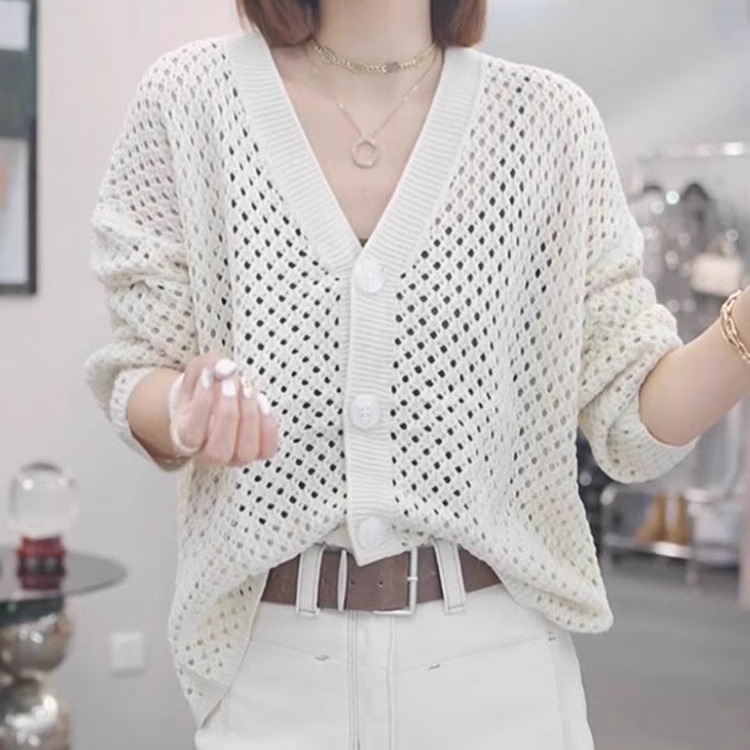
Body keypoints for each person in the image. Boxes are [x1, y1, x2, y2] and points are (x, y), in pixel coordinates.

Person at [84, 1, 750, 747]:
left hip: (498, 674)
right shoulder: (190, 101)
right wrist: (183, 408)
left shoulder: (550, 123)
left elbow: (633, 416)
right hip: (273, 674)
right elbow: (138, 370)